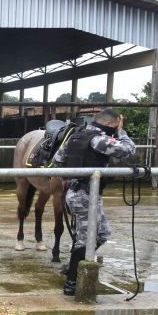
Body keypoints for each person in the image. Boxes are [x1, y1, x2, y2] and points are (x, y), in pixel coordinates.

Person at [52, 108, 136, 295]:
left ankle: (73, 265)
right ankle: (72, 281)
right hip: (84, 195)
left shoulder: (75, 136)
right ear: (108, 124)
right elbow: (128, 150)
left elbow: (58, 160)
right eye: (114, 127)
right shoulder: (98, 139)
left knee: (102, 233)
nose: (114, 131)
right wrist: (121, 132)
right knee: (84, 239)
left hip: (82, 193)